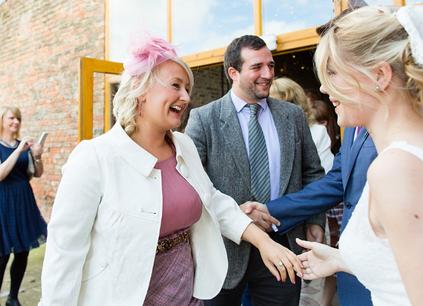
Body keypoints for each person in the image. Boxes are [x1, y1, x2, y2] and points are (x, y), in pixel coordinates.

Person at [38, 35, 302, 306]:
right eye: (176, 85)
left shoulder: (183, 146)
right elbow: (64, 254)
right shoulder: (94, 157)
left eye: (187, 88)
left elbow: (213, 201)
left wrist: (263, 242)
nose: (186, 97)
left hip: (186, 293)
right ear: (141, 89)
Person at [295, 5, 423, 306]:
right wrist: (343, 259)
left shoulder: (398, 169)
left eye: (333, 72)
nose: (322, 86)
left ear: (379, 75)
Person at [185, 35, 325, 306]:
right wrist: (236, 214)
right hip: (224, 250)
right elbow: (191, 184)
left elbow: (312, 172)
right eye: (257, 67)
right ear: (233, 72)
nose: (268, 74)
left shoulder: (292, 116)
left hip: (284, 245)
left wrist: (315, 220)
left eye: (271, 66)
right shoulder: (203, 119)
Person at [270, 77, 335, 305]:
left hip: (305, 220)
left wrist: (315, 221)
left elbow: (321, 181)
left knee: (308, 288)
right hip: (271, 225)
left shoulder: (316, 132)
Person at [0, 106, 47, 306]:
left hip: (23, 201)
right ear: (2, 121)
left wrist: (36, 155)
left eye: (18, 118)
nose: (16, 122)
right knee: (2, 254)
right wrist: (18, 150)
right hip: (3, 202)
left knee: (22, 252)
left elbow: (36, 174)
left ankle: (13, 297)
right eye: (11, 118)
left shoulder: (24, 146)